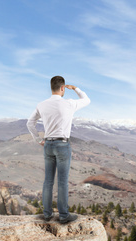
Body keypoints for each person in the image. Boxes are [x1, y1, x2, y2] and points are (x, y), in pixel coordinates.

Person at [27, 76, 90, 224]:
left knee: (48, 181)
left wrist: (38, 140)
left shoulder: (41, 105)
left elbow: (30, 123)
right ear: (62, 88)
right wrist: (75, 89)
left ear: (51, 87)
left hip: (48, 145)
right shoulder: (69, 103)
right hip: (62, 145)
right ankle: (63, 215)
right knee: (62, 182)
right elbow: (87, 100)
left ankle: (47, 214)